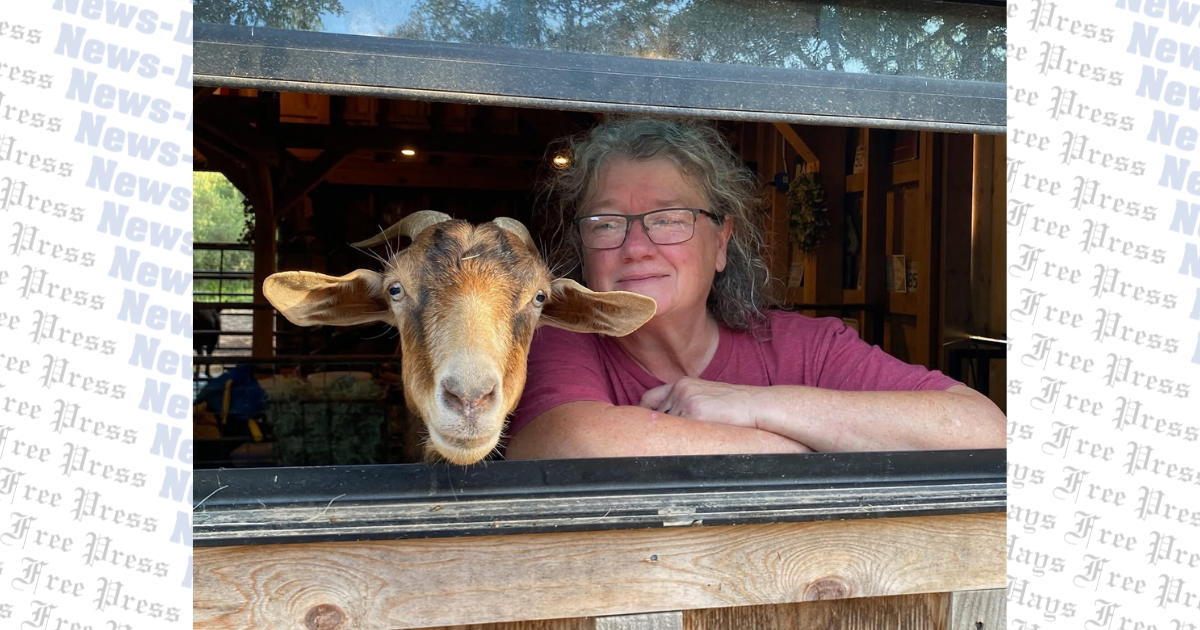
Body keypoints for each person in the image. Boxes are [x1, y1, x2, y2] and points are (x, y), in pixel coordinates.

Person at [505, 118, 1006, 460]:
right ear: (584, 247)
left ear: (721, 241)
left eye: (669, 218)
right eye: (607, 223)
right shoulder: (555, 339)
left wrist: (753, 405)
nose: (636, 246)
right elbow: (568, 441)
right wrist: (801, 450)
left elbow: (984, 432)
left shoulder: (807, 348)